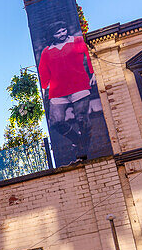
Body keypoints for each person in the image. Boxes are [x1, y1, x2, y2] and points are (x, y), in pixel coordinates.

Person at [36, 21, 106, 161]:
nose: (62, 34)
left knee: (81, 118)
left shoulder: (77, 41)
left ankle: (83, 149)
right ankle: (78, 139)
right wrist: (46, 87)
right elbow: (43, 71)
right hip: (58, 90)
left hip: (78, 85)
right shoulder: (46, 52)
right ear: (52, 35)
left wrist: (93, 73)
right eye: (58, 33)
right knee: (55, 122)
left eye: (64, 30)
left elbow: (89, 54)